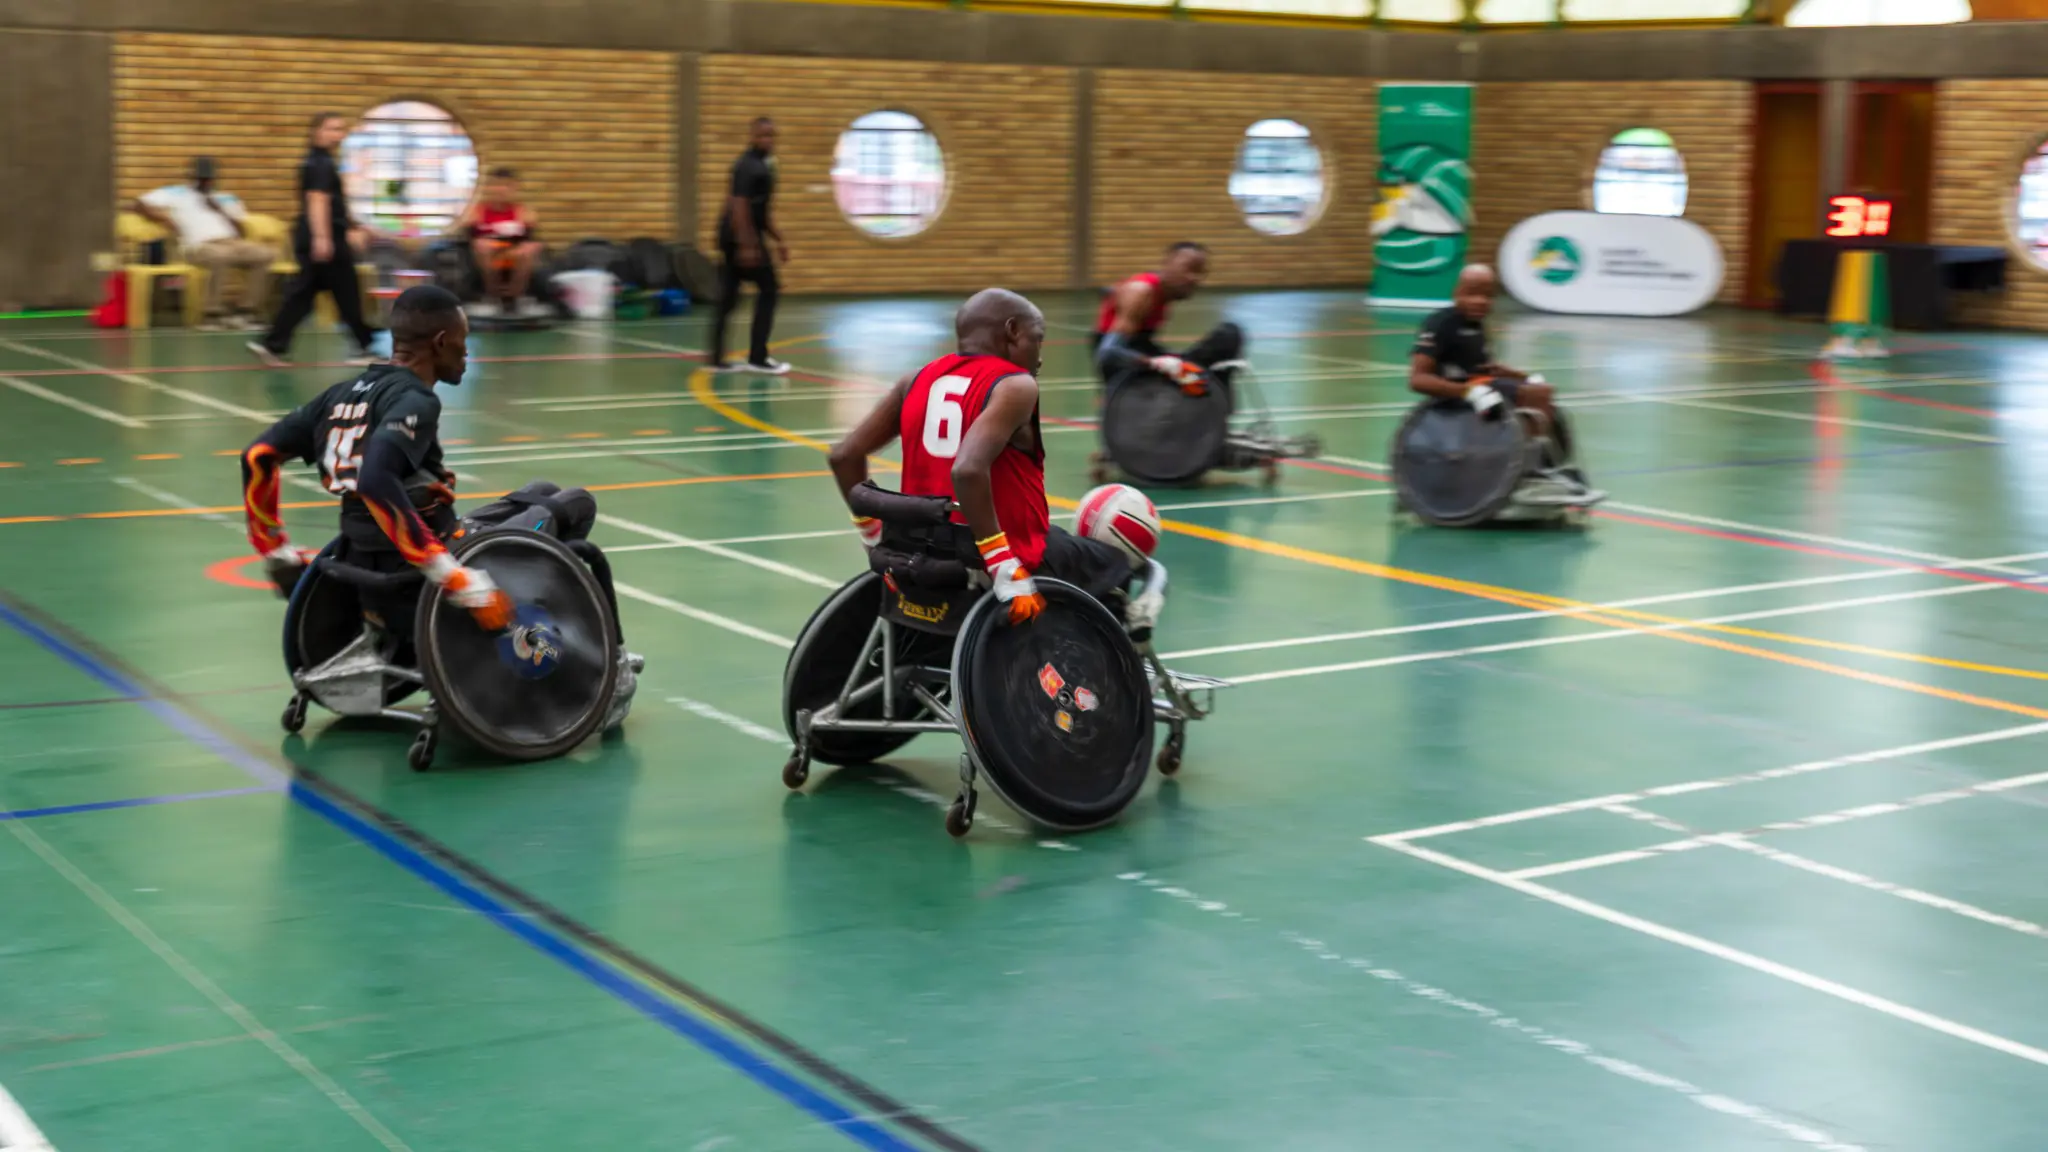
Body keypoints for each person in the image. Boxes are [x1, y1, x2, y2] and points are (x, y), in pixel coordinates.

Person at [238, 286, 636, 721]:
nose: (467, 356)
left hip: (361, 561)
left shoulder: (341, 393)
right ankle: (583, 667)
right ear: (441, 342)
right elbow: (375, 481)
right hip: (426, 568)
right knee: (577, 506)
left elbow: (257, 457)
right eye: (464, 345)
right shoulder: (416, 400)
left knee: (541, 488)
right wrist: (454, 577)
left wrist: (274, 551)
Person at [828, 288, 1157, 632]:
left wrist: (876, 539)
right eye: (1037, 340)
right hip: (1002, 555)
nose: (1040, 357)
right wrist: (1002, 566)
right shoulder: (1015, 386)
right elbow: (968, 470)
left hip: (921, 557)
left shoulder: (915, 380)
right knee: (1116, 563)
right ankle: (1120, 651)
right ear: (1013, 330)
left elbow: (844, 456)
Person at [1408, 264, 1596, 496]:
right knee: (1537, 395)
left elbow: (1489, 369)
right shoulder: (1439, 324)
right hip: (1457, 396)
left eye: (1487, 295)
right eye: (1473, 293)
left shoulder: (1476, 325)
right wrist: (1466, 392)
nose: (1480, 301)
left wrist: (1526, 377)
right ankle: (1529, 471)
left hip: (1483, 388)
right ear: (1457, 292)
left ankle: (1549, 464)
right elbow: (1417, 380)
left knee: (1543, 390)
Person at [1090, 241, 1247, 472]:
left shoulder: (1162, 296)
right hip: (1131, 372)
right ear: (1167, 265)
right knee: (1227, 335)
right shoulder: (1142, 292)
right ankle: (1212, 430)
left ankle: (1216, 424)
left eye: (1201, 272)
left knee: (1226, 340)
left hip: (1144, 364)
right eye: (1189, 269)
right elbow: (1107, 353)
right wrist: (1156, 363)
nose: (1195, 278)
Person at [248, 111, 380, 367]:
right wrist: (323, 238)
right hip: (324, 238)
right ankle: (363, 346)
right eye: (331, 129)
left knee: (306, 294)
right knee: (345, 292)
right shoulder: (319, 164)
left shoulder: (323, 162)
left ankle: (272, 344)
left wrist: (353, 225)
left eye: (341, 129)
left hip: (325, 236)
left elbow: (334, 202)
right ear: (316, 132)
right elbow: (317, 200)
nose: (337, 135)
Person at [132, 157, 274, 331]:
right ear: (192, 177)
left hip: (231, 242)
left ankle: (246, 311)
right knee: (219, 256)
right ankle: (211, 314)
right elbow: (139, 204)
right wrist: (164, 219)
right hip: (197, 245)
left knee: (264, 254)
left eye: (208, 179)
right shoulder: (177, 193)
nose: (204, 182)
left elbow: (241, 231)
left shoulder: (226, 198)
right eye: (200, 178)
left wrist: (220, 210)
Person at [709, 116, 790, 375]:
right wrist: (747, 245)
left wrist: (779, 239)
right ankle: (758, 357)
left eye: (770, 135)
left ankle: (716, 358)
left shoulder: (762, 166)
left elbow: (761, 212)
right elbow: (739, 206)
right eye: (762, 135)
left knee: (728, 298)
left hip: (740, 238)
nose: (767, 140)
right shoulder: (748, 166)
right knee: (769, 289)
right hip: (740, 240)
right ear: (752, 136)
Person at [452, 167, 542, 314]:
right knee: (483, 246)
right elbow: (468, 235)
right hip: (486, 251)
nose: (501, 190)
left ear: (514, 188)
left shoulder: (522, 212)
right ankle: (493, 295)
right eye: (497, 185)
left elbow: (529, 237)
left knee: (529, 250)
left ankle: (514, 297)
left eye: (506, 186)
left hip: (513, 251)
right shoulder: (478, 211)